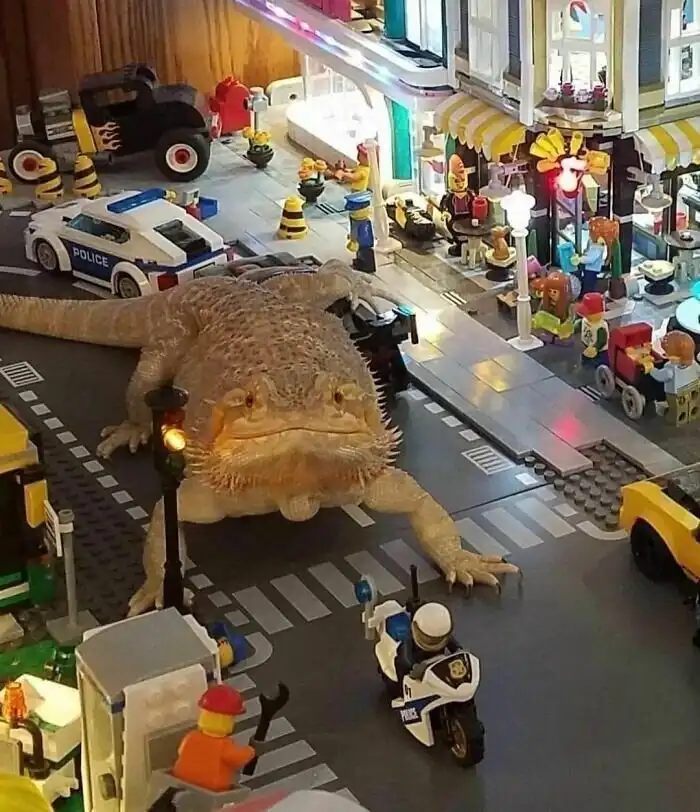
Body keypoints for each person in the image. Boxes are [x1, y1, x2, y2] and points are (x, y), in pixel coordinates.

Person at [172, 684, 261, 793]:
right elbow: (237, 758)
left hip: (182, 779)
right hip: (211, 787)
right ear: (228, 721)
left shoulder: (191, 736)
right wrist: (250, 750)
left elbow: (180, 751)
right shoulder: (224, 745)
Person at [395, 602, 459, 682]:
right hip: (418, 668)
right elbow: (405, 660)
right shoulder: (407, 642)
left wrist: (458, 649)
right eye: (429, 638)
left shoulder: (444, 635)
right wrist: (413, 667)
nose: (434, 641)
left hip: (436, 665)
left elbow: (450, 640)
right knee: (398, 669)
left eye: (438, 638)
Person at [650, 330, 700, 415]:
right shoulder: (694, 364)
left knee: (657, 385)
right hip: (691, 390)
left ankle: (661, 404)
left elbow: (659, 376)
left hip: (674, 394)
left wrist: (651, 369)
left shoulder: (670, 369)